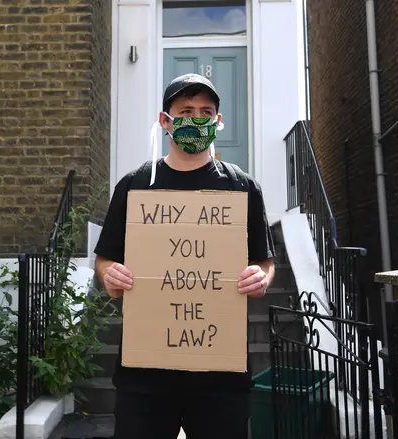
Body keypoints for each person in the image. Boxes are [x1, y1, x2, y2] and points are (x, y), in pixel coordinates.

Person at [94, 73, 276, 439]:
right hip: (145, 380)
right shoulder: (135, 185)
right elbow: (105, 258)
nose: (196, 119)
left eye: (205, 112)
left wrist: (260, 277)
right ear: (166, 121)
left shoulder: (241, 187)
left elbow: (264, 260)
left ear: (218, 122)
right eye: (185, 111)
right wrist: (110, 275)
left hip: (219, 379)